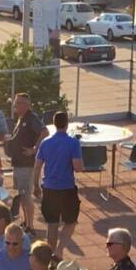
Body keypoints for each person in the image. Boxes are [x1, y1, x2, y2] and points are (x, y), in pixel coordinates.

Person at [33, 110, 85, 257]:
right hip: (67, 188)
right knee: (71, 221)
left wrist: (35, 185)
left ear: (54, 124)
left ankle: (50, 256)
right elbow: (78, 167)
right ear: (67, 124)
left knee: (52, 223)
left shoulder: (45, 142)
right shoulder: (73, 143)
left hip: (49, 188)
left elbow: (37, 166)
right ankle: (60, 249)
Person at [5, 91, 45, 232]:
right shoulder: (21, 118)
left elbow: (44, 132)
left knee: (26, 195)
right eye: (15, 102)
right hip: (18, 163)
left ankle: (31, 225)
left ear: (27, 105)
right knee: (22, 193)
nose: (15, 105)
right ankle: (25, 222)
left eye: (19, 103)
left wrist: (34, 149)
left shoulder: (32, 118)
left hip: (26, 165)